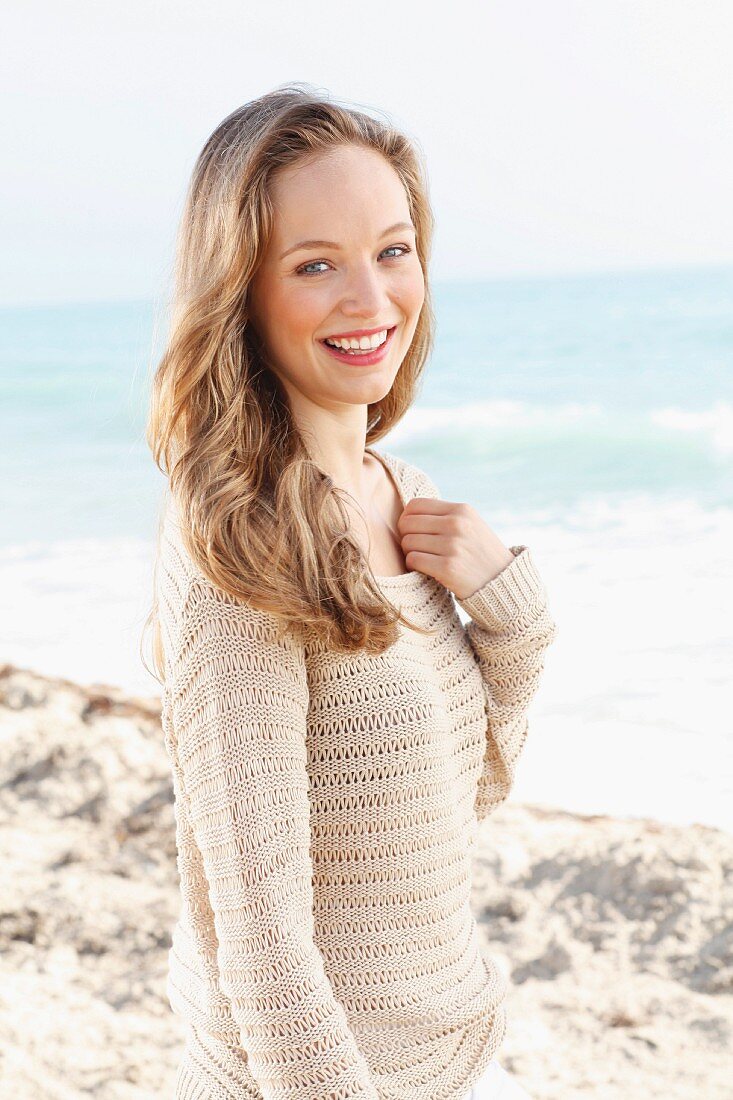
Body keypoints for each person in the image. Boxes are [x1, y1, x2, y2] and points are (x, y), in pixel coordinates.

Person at [145, 82, 557, 1100]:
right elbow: (264, 943)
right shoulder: (237, 553)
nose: (372, 300)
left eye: (392, 248)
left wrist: (512, 612)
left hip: (451, 1047)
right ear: (241, 290)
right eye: (314, 264)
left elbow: (466, 794)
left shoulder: (400, 494)